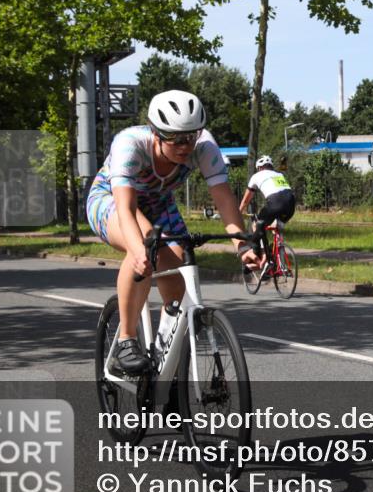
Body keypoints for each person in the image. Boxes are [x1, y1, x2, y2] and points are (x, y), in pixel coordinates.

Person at [86, 90, 257, 375]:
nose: (185, 146)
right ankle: (125, 342)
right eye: (176, 139)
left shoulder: (204, 146)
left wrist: (242, 246)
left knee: (178, 283)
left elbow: (224, 200)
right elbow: (126, 209)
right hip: (112, 200)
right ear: (155, 132)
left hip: (160, 204)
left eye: (191, 136)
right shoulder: (130, 144)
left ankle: (164, 370)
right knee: (141, 245)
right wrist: (139, 249)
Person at [238, 155, 296, 270]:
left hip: (275, 203)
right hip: (291, 203)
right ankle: (281, 263)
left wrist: (239, 211)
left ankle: (265, 258)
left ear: (259, 167)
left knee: (257, 225)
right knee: (277, 229)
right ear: (271, 166)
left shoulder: (256, 176)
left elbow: (246, 200)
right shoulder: (279, 174)